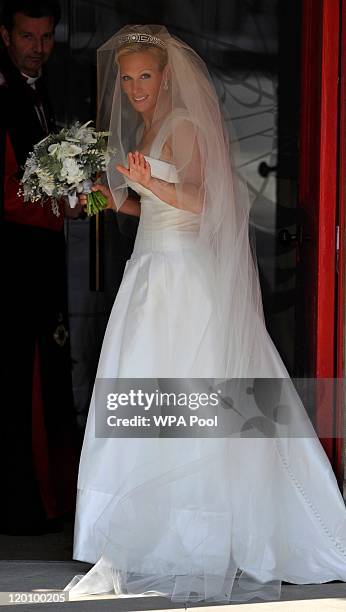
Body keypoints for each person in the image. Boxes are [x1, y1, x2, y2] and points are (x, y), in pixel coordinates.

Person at [66, 25, 346, 603]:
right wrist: (99, 189)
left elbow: (205, 199)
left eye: (145, 76)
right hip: (148, 275)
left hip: (182, 280)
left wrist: (149, 185)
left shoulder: (185, 125)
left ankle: (194, 537)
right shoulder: (145, 127)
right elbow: (140, 206)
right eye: (127, 77)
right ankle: (128, 542)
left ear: (166, 76)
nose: (135, 87)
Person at [0, 0, 78, 534]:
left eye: (46, 36)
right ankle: (23, 505)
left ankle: (46, 500)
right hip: (10, 262)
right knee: (21, 381)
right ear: (5, 35)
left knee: (46, 373)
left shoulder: (41, 89)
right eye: (29, 36)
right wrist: (62, 202)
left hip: (40, 257)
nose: (38, 47)